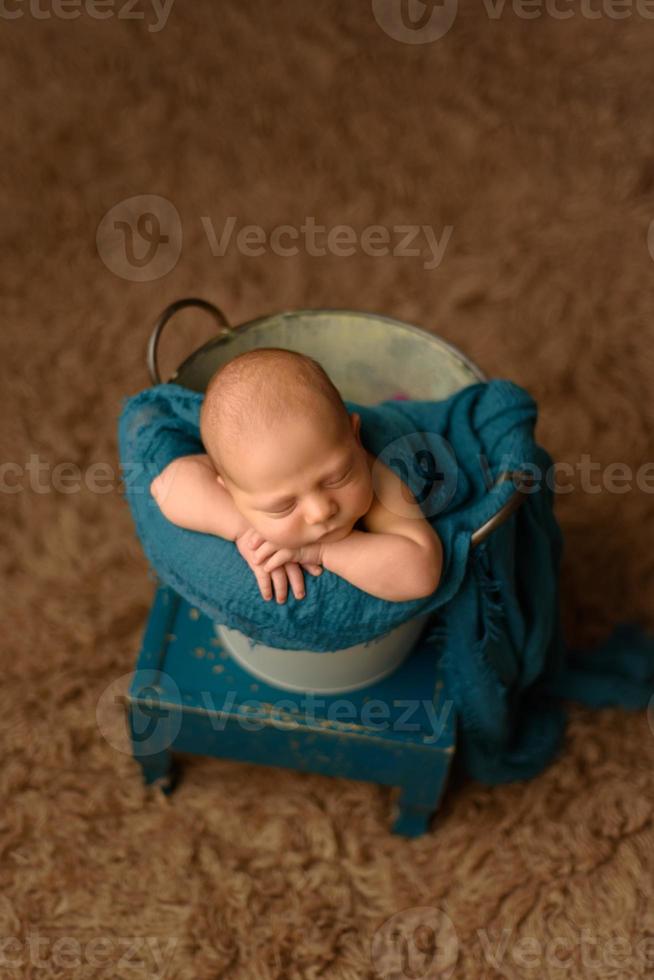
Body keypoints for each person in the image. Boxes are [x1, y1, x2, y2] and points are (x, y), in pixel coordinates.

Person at [150, 348, 442, 605]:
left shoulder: (375, 475)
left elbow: (421, 573)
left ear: (355, 437)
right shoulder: (246, 475)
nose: (320, 511)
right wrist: (245, 530)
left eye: (336, 478)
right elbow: (167, 485)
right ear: (230, 489)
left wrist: (321, 551)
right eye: (283, 506)